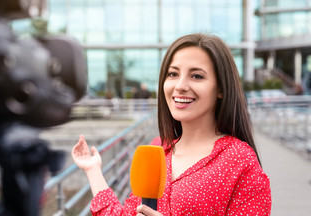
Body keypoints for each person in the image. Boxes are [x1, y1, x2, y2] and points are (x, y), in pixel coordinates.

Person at [71, 33, 271, 215]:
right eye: (173, 74)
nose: (180, 86)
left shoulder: (240, 161)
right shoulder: (158, 150)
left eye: (197, 76)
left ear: (221, 89)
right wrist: (93, 170)